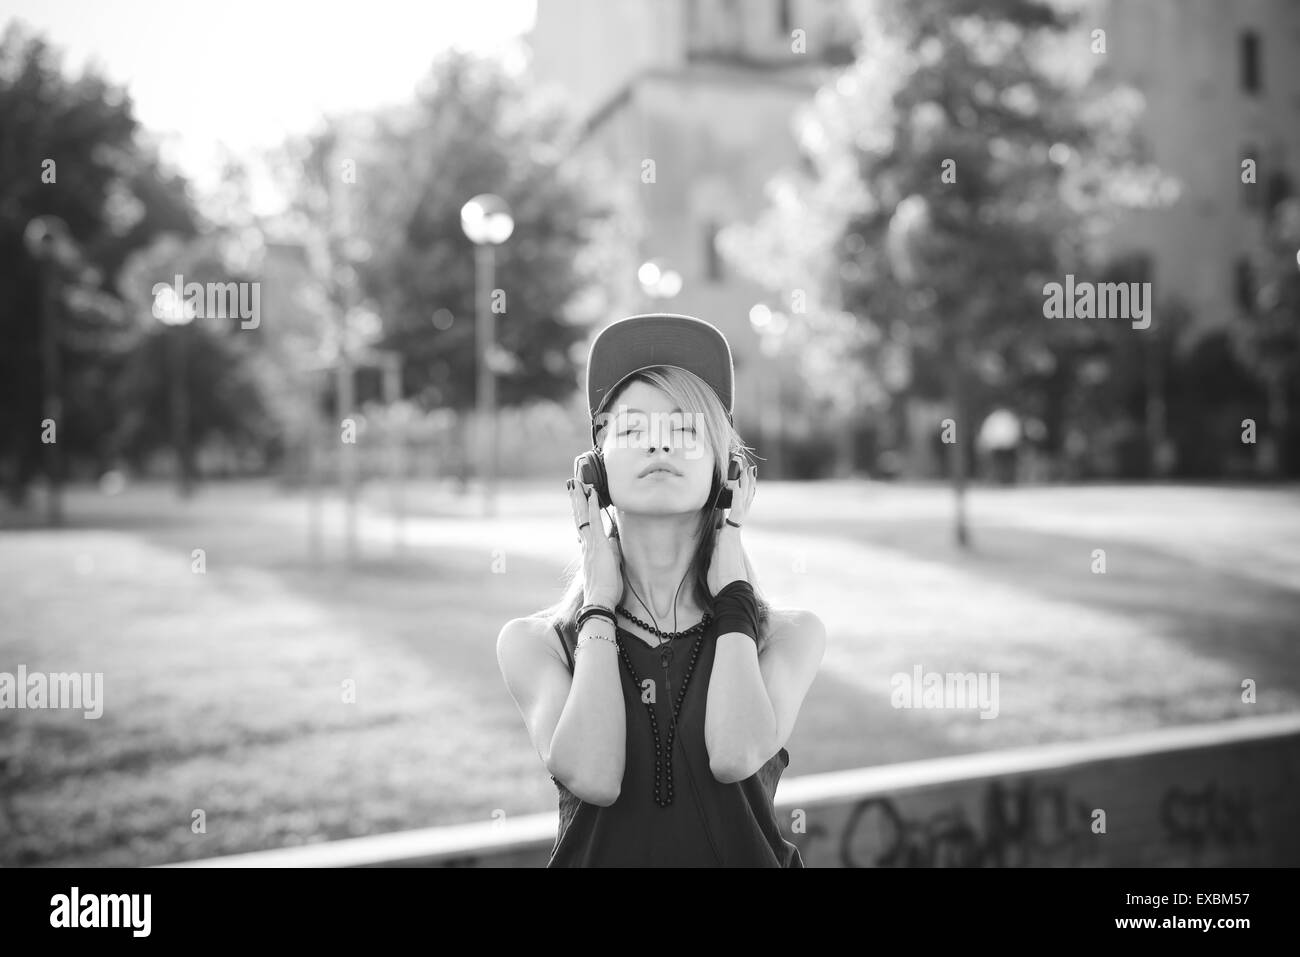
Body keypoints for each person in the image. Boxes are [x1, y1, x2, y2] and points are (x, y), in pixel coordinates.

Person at [496, 313, 826, 866]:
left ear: (727, 471)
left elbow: (734, 754)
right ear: (593, 473)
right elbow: (594, 776)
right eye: (632, 430)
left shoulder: (785, 636)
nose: (659, 446)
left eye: (684, 429)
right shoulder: (539, 644)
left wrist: (734, 600)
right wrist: (598, 607)